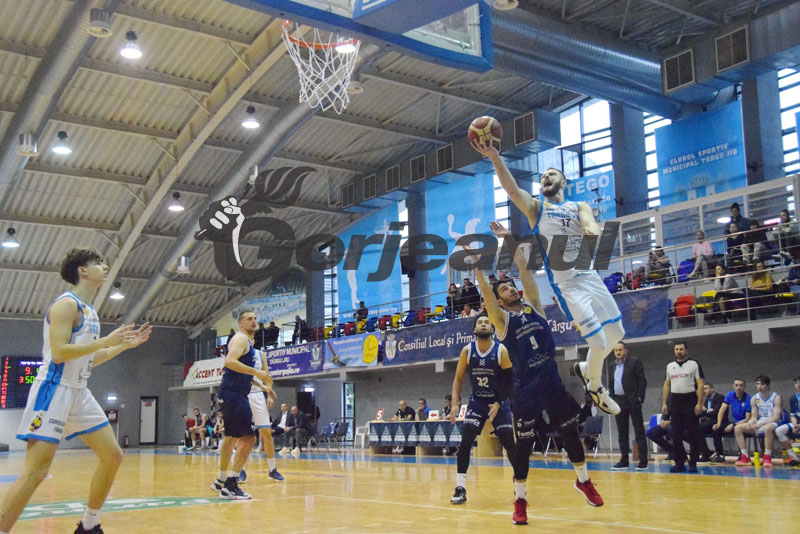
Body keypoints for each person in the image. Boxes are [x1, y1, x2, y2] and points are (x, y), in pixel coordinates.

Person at [0, 248, 151, 534]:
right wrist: (106, 340)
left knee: (113, 455)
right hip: (54, 390)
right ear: (82, 271)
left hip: (80, 392)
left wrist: (122, 346)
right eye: (98, 263)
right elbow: (59, 353)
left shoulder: (90, 311)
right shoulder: (65, 305)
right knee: (36, 472)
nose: (105, 266)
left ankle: (89, 525)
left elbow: (90, 358)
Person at [472, 140, 624, 416]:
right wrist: (494, 156)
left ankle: (586, 368)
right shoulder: (536, 208)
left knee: (617, 333)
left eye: (551, 174)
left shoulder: (578, 205)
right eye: (542, 176)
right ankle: (596, 387)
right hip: (568, 286)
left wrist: (592, 231)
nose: (545, 177)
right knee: (599, 343)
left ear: (563, 181)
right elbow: (512, 189)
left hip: (590, 276)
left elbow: (590, 222)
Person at [467, 221, 604, 524]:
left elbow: (525, 270)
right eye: (504, 289)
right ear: (500, 301)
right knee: (524, 447)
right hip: (525, 390)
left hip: (551, 382)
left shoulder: (535, 307)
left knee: (570, 433)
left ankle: (583, 481)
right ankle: (520, 500)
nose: (510, 288)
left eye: (510, 286)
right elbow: (486, 293)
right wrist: (477, 265)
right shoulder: (502, 322)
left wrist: (509, 238)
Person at [449, 314, 515, 505]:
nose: (484, 324)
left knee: (509, 443)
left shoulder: (501, 350)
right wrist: (455, 403)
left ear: (492, 329)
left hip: (498, 403)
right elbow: (458, 379)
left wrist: (499, 403)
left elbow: (509, 382)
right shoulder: (467, 350)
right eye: (480, 322)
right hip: (477, 401)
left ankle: (520, 486)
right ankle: (460, 488)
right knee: (466, 440)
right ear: (474, 329)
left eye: (487, 322)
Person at [209, 310, 273, 500]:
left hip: (231, 393)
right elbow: (229, 362)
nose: (254, 321)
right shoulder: (241, 339)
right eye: (249, 319)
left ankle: (221, 480)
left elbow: (239, 371)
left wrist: (260, 385)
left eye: (255, 319)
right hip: (235, 394)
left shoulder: (247, 343)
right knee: (249, 438)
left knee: (230, 437)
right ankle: (231, 485)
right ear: (241, 323)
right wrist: (257, 372)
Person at [661, 341, 704, 473]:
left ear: (686, 350)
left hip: (690, 399)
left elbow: (700, 384)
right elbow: (667, 385)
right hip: (675, 401)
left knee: (693, 433)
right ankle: (679, 462)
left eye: (681, 349)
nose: (679, 351)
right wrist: (664, 403)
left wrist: (699, 403)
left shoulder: (694, 364)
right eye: (676, 349)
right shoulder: (670, 366)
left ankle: (693, 463)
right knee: (675, 434)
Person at [606, 342, 648, 471]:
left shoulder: (634, 362)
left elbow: (642, 380)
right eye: (616, 350)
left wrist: (639, 397)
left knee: (639, 431)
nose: (618, 352)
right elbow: (611, 383)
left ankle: (643, 461)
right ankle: (624, 461)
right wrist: (611, 398)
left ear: (625, 351)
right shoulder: (611, 365)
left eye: (620, 350)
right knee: (622, 432)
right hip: (619, 401)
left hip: (633, 400)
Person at [246, 348, 284, 481]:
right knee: (243, 434)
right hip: (243, 393)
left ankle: (272, 470)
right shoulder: (238, 350)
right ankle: (240, 471)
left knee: (266, 432)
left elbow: (267, 376)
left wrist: (269, 394)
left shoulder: (260, 354)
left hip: (258, 394)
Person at [734, 375, 782, 467]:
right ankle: (745, 456)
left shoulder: (776, 397)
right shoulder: (754, 398)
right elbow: (754, 417)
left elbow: (776, 417)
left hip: (773, 423)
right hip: (760, 423)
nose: (759, 386)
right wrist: (750, 422)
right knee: (738, 428)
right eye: (757, 384)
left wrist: (760, 424)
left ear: (768, 385)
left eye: (762, 384)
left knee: (767, 428)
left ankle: (767, 457)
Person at [711, 379, 751, 462]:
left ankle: (742, 454)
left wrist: (733, 425)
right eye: (736, 385)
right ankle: (720, 455)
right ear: (733, 386)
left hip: (744, 423)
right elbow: (722, 410)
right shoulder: (730, 395)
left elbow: (747, 418)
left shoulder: (748, 399)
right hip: (733, 422)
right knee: (717, 430)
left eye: (741, 385)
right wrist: (718, 423)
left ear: (744, 387)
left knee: (740, 430)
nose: (738, 387)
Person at [774, 375, 800, 466]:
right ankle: (794, 457)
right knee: (779, 430)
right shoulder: (793, 398)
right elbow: (792, 415)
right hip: (797, 423)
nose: (798, 385)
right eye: (796, 383)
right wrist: (795, 425)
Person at [698, 383, 724, 462]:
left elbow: (715, 412)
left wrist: (706, 410)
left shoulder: (719, 397)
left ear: (712, 389)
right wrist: (708, 411)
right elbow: (703, 413)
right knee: (693, 430)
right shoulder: (707, 400)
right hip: (708, 422)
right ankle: (706, 452)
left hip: (718, 421)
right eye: (702, 389)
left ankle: (708, 454)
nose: (703, 391)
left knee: (698, 428)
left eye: (705, 389)